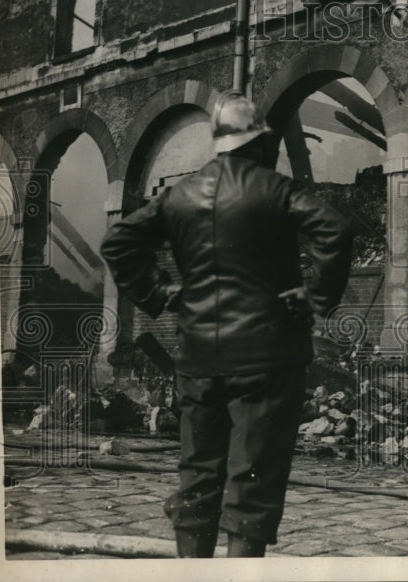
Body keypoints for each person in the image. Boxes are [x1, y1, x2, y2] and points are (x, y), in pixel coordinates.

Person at [100, 91, 353, 558]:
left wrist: (159, 293)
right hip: (267, 359)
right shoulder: (276, 190)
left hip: (198, 357)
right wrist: (314, 297)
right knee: (252, 480)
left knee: (197, 474)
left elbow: (118, 242)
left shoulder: (179, 196)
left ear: (218, 144)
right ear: (257, 143)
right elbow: (334, 230)